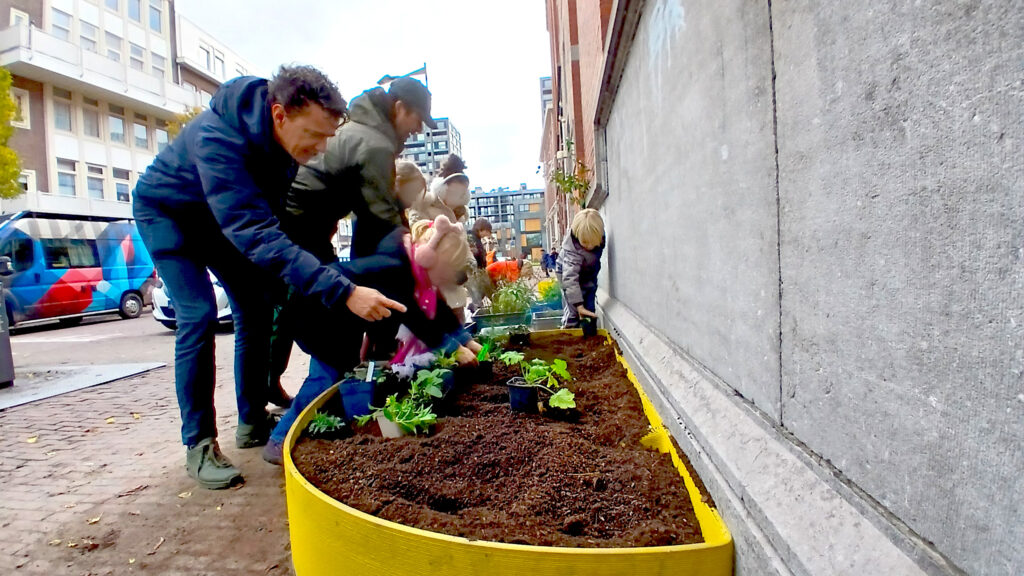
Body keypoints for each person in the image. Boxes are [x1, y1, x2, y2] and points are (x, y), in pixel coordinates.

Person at [132, 66, 405, 490]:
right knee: (199, 315)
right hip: (172, 217)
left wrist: (321, 274)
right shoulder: (217, 138)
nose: (319, 149)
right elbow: (255, 233)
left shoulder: (287, 150)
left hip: (222, 222)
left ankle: (251, 419)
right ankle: (199, 444)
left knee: (256, 310)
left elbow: (275, 225)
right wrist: (343, 290)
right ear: (280, 115)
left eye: (327, 138)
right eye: (314, 135)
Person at [262, 215, 481, 464]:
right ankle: (279, 440)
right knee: (324, 377)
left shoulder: (411, 261)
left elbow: (438, 307)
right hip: (316, 314)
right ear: (433, 260)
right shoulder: (395, 268)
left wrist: (464, 338)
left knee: (338, 371)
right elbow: (414, 316)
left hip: (335, 317)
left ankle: (331, 424)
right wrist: (452, 347)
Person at [288, 76, 436, 259]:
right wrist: (414, 253)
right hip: (301, 227)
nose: (418, 129)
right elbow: (383, 217)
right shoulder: (376, 145)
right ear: (399, 108)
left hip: (300, 221)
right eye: (418, 119)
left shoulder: (360, 127)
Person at [559, 209, 605, 337]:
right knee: (573, 311)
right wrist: (578, 305)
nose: (589, 246)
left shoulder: (598, 235)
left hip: (588, 274)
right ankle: (569, 335)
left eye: (592, 242)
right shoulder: (572, 252)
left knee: (589, 306)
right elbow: (570, 279)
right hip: (567, 275)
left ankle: (589, 335)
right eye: (585, 242)